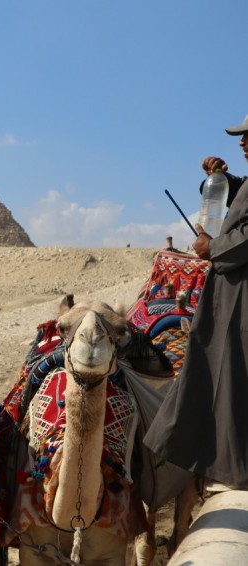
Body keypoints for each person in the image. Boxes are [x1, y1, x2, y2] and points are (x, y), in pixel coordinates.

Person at [145, 113, 248, 489]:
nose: (241, 143)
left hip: (242, 298)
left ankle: (235, 468)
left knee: (235, 373)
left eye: (246, 136)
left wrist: (213, 247)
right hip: (230, 293)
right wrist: (222, 179)